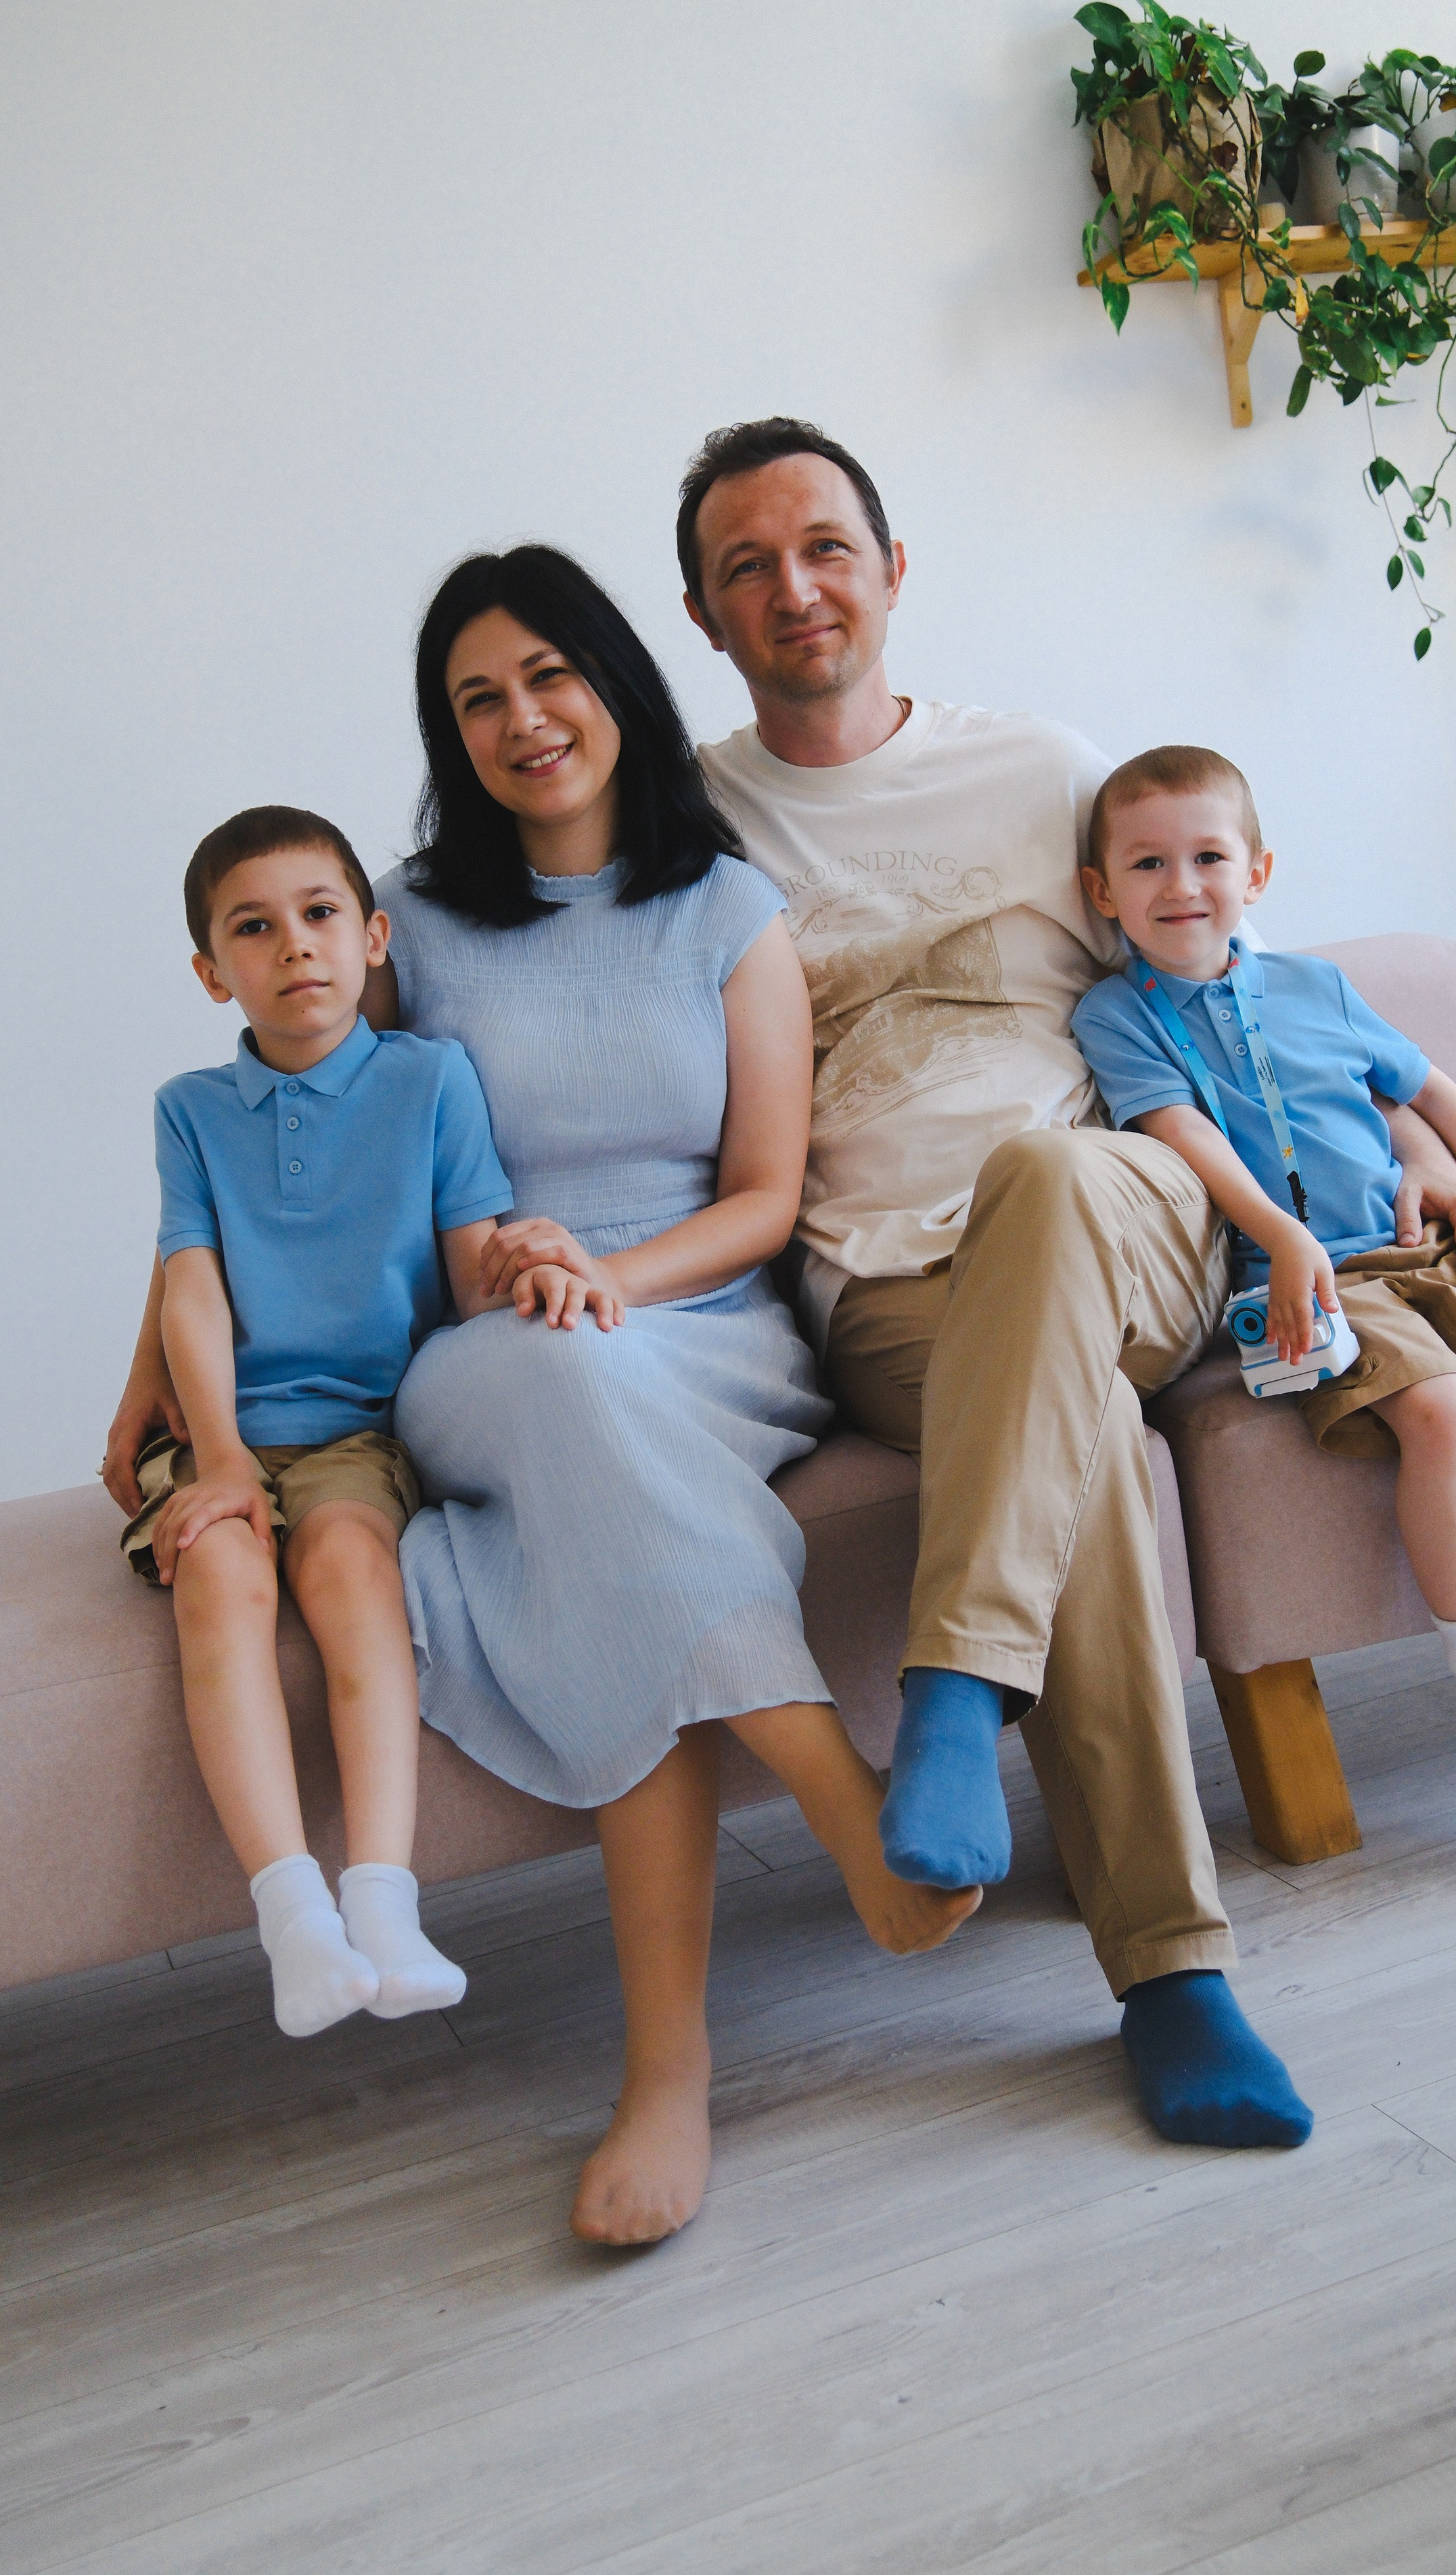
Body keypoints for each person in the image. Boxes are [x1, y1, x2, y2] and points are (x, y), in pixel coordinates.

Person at [104, 549, 980, 2246]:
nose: (522, 719)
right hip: (480, 1355)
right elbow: (286, 1162)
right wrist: (158, 1387)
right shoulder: (407, 926)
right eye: (477, 697)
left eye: (549, 674)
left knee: (599, 1511)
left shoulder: (728, 913)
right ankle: (831, 1788)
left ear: (615, 683)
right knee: (557, 1390)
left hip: (701, 1331)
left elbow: (762, 1192)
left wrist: (610, 1281)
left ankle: (667, 2074)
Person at [681, 415, 1313, 2147]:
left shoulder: (1041, 767)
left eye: (825, 547)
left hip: (1121, 1216)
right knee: (1086, 1439)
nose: (794, 587)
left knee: (1039, 1169)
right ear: (701, 613)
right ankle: (1173, 1978)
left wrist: (1393, 1141)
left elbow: (1224, 963)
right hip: (884, 1290)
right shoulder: (690, 822)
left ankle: (953, 1691)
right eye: (747, 565)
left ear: (894, 573)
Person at [1072, 743, 1456, 1748]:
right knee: (1440, 1410)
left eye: (1209, 859)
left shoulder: (1320, 988)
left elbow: (1430, 1089)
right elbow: (1178, 1131)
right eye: (1147, 865)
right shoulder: (1119, 1015)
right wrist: (1281, 1237)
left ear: (1255, 874)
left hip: (1430, 1247)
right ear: (1102, 890)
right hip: (1310, 1274)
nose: (1181, 887)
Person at [125, 804, 517, 2037]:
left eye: (320, 914)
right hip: (225, 1422)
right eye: (255, 927)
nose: (295, 946)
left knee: (351, 1570)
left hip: (363, 1434)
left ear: (373, 935)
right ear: (211, 972)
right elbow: (191, 1284)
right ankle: (291, 1913)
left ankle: (384, 1903)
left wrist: (542, 1267)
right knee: (220, 1573)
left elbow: (469, 1271)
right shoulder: (190, 1110)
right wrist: (221, 1457)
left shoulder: (431, 1080)